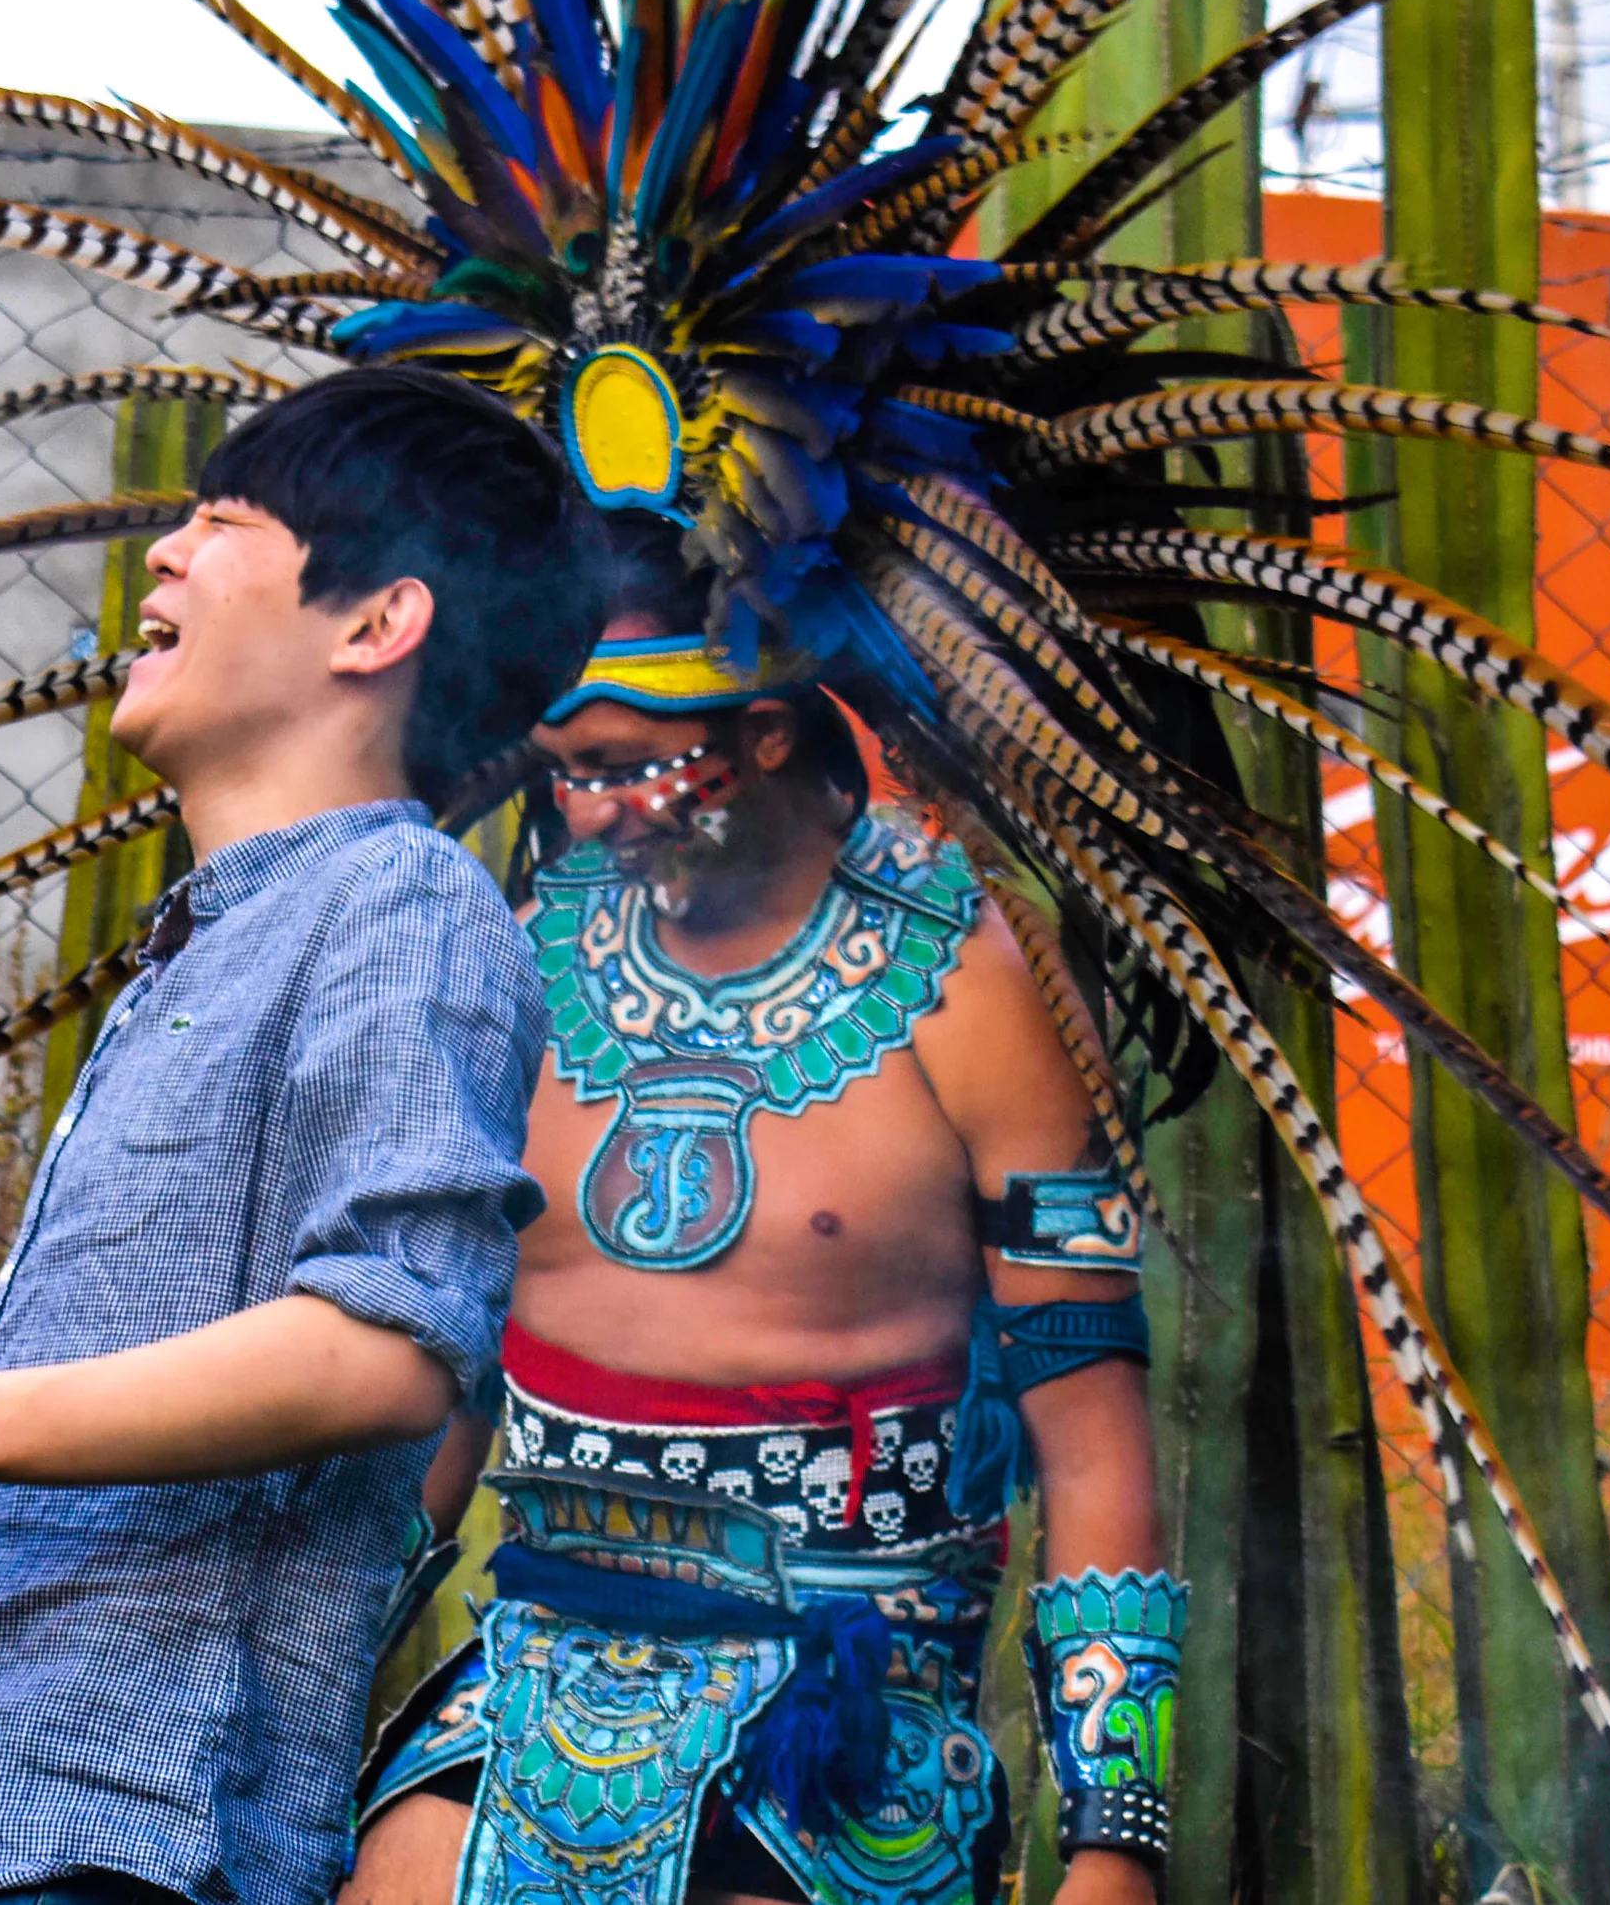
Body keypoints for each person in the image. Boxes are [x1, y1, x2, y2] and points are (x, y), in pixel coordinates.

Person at [0, 366, 602, 1905]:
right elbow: (200, 1430)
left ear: (376, 626)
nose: (163, 556)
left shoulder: (403, 909)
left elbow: (383, 1353)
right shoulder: (225, 939)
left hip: (120, 1844)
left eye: (221, 522)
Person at [343, 517, 1180, 1905]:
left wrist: (1116, 1842)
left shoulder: (970, 982)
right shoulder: (532, 950)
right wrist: (300, 1687)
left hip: (843, 1698)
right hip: (533, 1671)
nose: (588, 817)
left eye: (625, 771)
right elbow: (446, 1380)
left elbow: (1089, 1436)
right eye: (565, 780)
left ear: (773, 734)